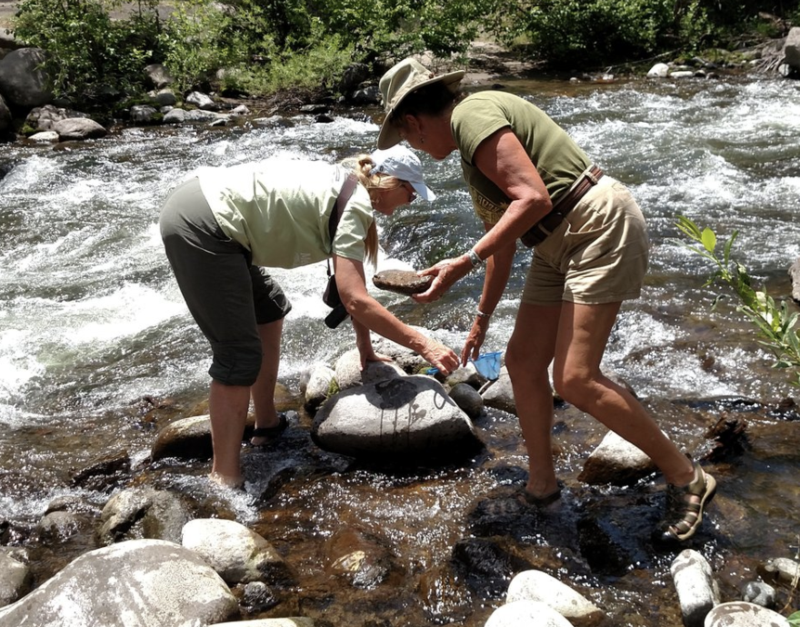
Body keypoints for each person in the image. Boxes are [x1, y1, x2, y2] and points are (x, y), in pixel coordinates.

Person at [376, 58, 716, 543]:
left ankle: (687, 476)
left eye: (406, 136)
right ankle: (542, 486)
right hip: (555, 243)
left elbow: (532, 198)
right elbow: (506, 239)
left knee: (575, 378)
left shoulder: (472, 115)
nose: (412, 145)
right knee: (522, 362)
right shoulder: (473, 149)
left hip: (595, 226)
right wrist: (480, 317)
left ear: (413, 121)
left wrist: (463, 261)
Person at [160, 145, 460, 488]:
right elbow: (356, 300)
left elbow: (353, 287)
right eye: (411, 193)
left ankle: (267, 424)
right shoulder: (356, 205)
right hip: (203, 224)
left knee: (269, 308)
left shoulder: (351, 187)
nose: (411, 202)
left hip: (211, 212)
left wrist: (365, 347)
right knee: (238, 354)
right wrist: (425, 344)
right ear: (390, 182)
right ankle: (224, 477)